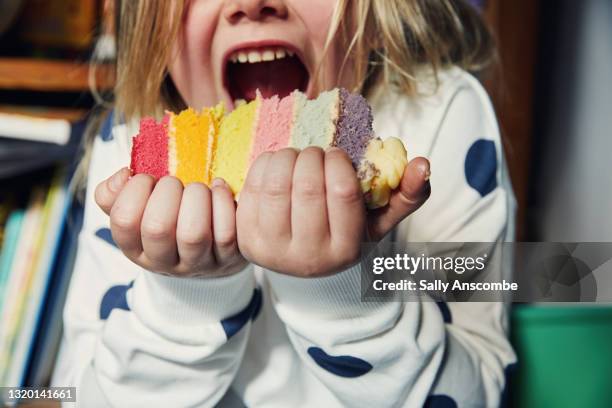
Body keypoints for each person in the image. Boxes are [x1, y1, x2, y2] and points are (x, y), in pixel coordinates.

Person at [52, 0, 517, 406]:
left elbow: (478, 394)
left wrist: (343, 294)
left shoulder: (439, 113)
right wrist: (188, 296)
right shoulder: (134, 148)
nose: (252, 4)